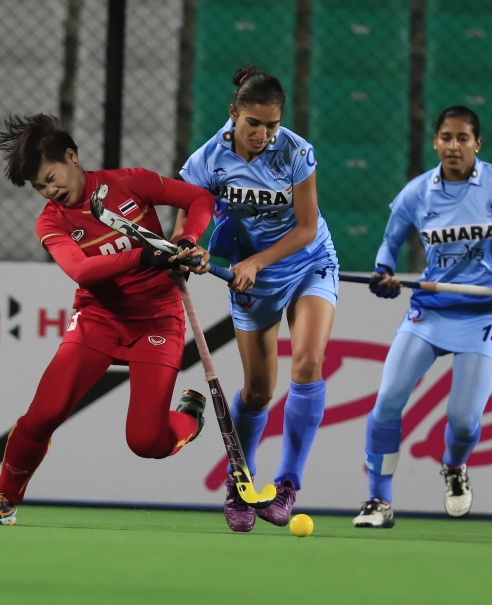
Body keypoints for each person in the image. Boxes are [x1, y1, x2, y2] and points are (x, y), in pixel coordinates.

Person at [0, 114, 214, 525]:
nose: (50, 191)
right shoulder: (51, 221)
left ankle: (189, 417)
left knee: (146, 441)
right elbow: (81, 270)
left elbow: (199, 199)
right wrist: (145, 255)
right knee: (43, 415)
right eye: (40, 187)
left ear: (71, 156)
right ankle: (3, 499)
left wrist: (187, 241)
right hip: (99, 318)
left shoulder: (131, 183)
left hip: (157, 319)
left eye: (51, 178)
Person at [174, 65, 339, 532]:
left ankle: (287, 485)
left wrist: (257, 262)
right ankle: (240, 482)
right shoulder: (208, 159)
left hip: (308, 262)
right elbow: (191, 217)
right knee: (260, 391)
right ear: (233, 113)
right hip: (250, 280)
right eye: (253, 124)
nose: (263, 135)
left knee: (308, 363)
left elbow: (306, 228)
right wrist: (191, 246)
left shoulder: (296, 152)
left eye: (272, 124)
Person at [353, 106, 492, 528]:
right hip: (429, 312)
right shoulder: (417, 192)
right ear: (435, 142)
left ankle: (454, 466)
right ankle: (378, 501)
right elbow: (389, 244)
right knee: (388, 401)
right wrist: (383, 273)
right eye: (446, 137)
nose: (454, 146)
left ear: (477, 144)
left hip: (482, 318)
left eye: (462, 138)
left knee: (464, 423)